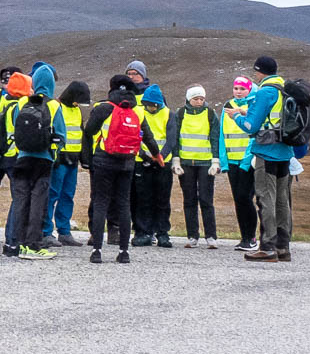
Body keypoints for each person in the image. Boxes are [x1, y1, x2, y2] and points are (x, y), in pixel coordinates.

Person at [82, 74, 153, 265]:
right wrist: (157, 155)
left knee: (100, 203)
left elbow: (88, 132)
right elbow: (148, 137)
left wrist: (87, 160)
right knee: (123, 204)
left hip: (103, 162)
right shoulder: (137, 111)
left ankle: (97, 250)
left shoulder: (104, 108)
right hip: (127, 163)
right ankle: (123, 252)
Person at [234, 56, 296, 263]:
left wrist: (236, 117)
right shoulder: (286, 91)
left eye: (256, 72)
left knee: (265, 198)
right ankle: (283, 246)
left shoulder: (265, 92)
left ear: (260, 72)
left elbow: (251, 125)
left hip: (267, 151)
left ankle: (267, 246)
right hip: (286, 152)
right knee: (281, 200)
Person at [3, 63, 66, 260]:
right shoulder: (54, 105)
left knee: (21, 201)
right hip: (43, 160)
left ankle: (18, 243)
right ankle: (34, 245)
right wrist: (52, 154)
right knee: (39, 202)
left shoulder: (22, 102)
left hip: (22, 159)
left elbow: (14, 130)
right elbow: (61, 135)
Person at [169, 84, 224, 247]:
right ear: (189, 99)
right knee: (189, 200)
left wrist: (216, 160)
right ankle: (192, 236)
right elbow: (175, 138)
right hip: (186, 163)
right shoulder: (180, 114)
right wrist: (176, 159)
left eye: (201, 99)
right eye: (196, 99)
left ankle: (211, 236)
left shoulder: (210, 114)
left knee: (206, 199)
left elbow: (215, 137)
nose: (199, 101)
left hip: (205, 163)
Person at [46, 80, 91, 246]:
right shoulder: (56, 107)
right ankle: (46, 231)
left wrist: (82, 158)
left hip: (73, 159)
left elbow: (79, 133)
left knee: (67, 196)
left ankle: (64, 232)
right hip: (59, 159)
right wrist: (55, 155)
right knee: (52, 195)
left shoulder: (77, 110)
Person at [132, 85, 176, 247]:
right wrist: (146, 156)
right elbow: (135, 137)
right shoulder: (139, 113)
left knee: (162, 199)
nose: (150, 108)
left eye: (153, 104)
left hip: (163, 162)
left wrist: (160, 156)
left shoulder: (169, 114)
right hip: (142, 161)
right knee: (144, 199)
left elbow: (171, 139)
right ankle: (144, 232)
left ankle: (162, 232)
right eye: (147, 104)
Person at [219, 76, 260, 251]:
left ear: (249, 89)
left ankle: (251, 237)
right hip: (232, 161)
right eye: (236, 88)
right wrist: (224, 160)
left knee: (245, 197)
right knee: (238, 199)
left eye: (242, 89)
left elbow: (253, 135)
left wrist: (245, 161)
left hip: (247, 161)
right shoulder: (227, 106)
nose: (238, 91)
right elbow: (222, 134)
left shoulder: (253, 105)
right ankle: (244, 237)